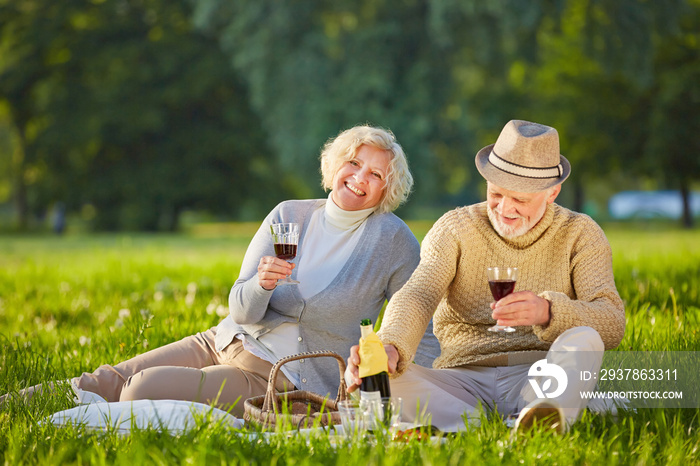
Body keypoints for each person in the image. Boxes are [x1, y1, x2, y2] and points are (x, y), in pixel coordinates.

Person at [2, 125, 423, 417]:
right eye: (353, 163)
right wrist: (261, 283)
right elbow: (240, 309)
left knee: (141, 389)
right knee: (107, 379)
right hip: (225, 338)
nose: (359, 177)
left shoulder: (392, 241)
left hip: (281, 375)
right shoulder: (289, 214)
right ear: (335, 167)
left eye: (375, 174)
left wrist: (388, 372)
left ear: (388, 189)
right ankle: (11, 406)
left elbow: (422, 323)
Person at [345, 119, 625, 433]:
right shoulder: (455, 227)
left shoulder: (580, 234)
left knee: (584, 339)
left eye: (520, 200)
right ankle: (490, 424)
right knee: (376, 378)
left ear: (552, 193)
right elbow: (420, 293)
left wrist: (548, 312)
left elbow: (611, 321)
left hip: (541, 375)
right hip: (461, 382)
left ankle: (535, 415)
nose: (505, 209)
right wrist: (391, 346)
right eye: (496, 194)